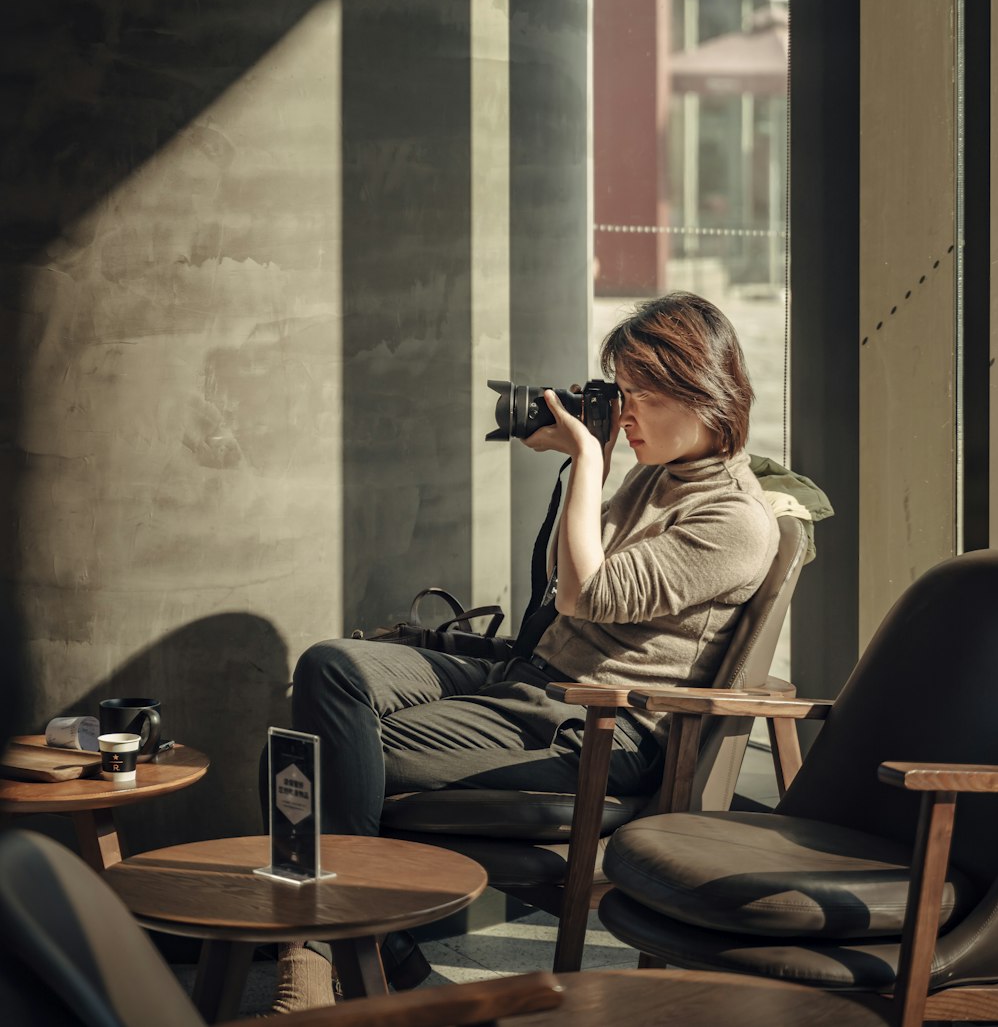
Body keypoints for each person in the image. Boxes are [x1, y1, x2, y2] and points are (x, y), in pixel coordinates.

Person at [271, 291, 779, 1010]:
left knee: (309, 753)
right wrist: (589, 464)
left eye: (638, 395)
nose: (623, 412)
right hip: (526, 680)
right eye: (619, 393)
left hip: (593, 726)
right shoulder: (655, 478)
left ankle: (321, 953)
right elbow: (560, 580)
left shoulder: (735, 519)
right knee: (331, 667)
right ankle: (378, 948)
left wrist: (587, 461)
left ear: (701, 389)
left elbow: (587, 595)